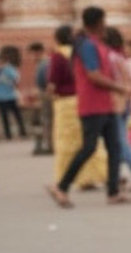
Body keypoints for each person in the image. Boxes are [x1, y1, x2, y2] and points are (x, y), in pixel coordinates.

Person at [47, 6, 131, 208]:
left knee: (114, 147)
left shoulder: (95, 44)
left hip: (105, 104)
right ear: (97, 23)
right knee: (89, 147)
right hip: (92, 105)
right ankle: (62, 186)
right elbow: (93, 75)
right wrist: (118, 87)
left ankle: (113, 192)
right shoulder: (86, 45)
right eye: (104, 21)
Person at [46, 24, 108, 190]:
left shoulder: (57, 57)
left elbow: (52, 83)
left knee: (66, 143)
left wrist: (51, 95)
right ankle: (93, 176)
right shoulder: (80, 52)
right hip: (81, 100)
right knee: (88, 141)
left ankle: (66, 179)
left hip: (64, 104)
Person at [105, 27, 131, 192]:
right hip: (125, 102)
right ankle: (117, 176)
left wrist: (117, 89)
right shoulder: (122, 58)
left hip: (114, 103)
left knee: (119, 141)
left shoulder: (110, 58)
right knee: (117, 139)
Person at [0, 46, 25, 139]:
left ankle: (23, 132)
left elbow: (16, 79)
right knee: (4, 117)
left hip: (10, 96)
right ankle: (8, 134)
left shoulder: (9, 69)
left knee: (17, 115)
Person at [28, 42, 53, 154]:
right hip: (43, 93)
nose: (31, 57)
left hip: (46, 94)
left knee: (47, 120)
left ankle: (50, 145)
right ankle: (47, 144)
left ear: (37, 52)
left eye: (32, 54)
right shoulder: (42, 64)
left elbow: (47, 81)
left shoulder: (45, 64)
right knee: (44, 120)